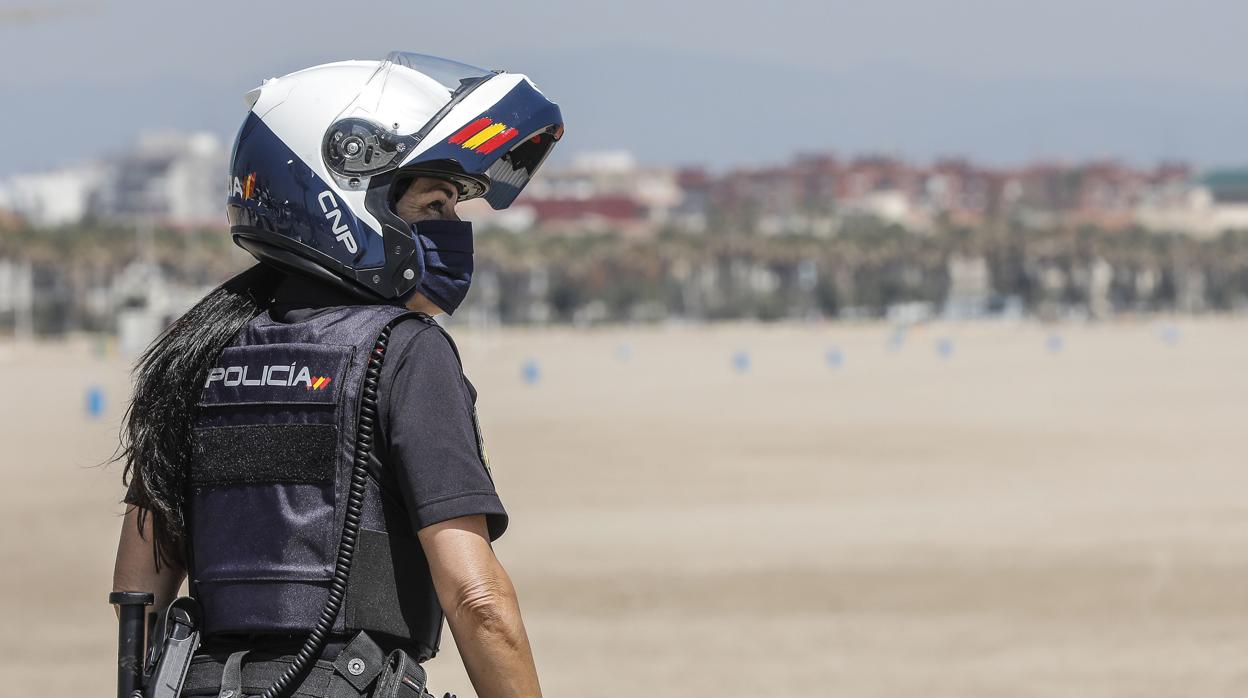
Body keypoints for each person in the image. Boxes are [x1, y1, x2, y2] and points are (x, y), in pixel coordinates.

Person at [111, 52, 563, 698]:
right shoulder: (405, 353)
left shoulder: (195, 353)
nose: (455, 230)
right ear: (346, 195)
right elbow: (476, 597)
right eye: (435, 205)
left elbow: (139, 591)